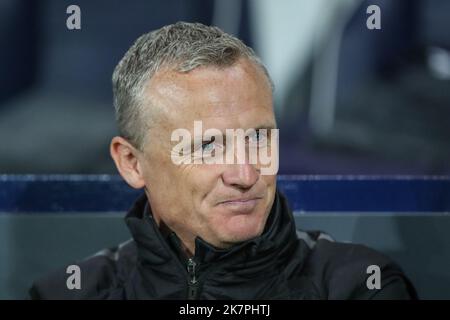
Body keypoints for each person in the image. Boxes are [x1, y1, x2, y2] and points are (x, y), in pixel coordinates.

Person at [29, 22, 416, 300]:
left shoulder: (359, 287)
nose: (246, 174)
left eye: (259, 138)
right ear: (131, 162)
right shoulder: (66, 293)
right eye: (208, 146)